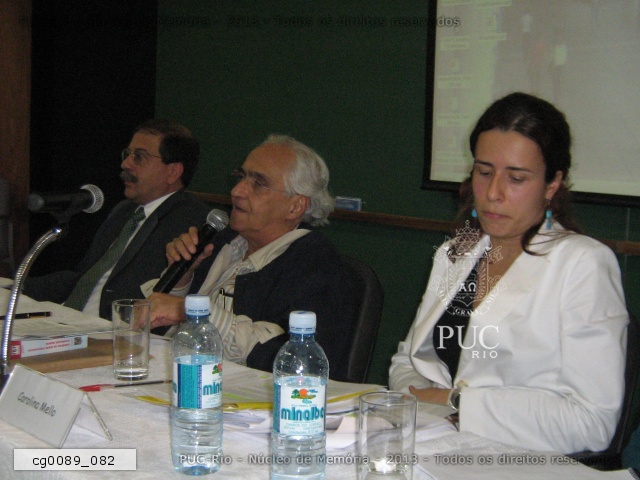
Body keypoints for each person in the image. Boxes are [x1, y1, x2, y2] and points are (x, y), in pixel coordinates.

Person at [389, 92, 628, 454]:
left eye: (516, 178)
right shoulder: (455, 253)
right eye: (484, 172)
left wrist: (457, 404)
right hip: (437, 447)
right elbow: (407, 361)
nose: (492, 193)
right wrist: (426, 403)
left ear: (552, 184)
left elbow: (591, 422)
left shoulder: (582, 264)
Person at [146, 134, 354, 381]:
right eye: (241, 177)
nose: (236, 191)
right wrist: (182, 278)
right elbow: (156, 321)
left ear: (295, 206)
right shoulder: (220, 241)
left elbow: (293, 360)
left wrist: (191, 312)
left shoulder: (316, 266)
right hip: (174, 372)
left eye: (259, 184)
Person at [24, 119, 210, 320]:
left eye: (139, 157)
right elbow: (83, 277)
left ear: (173, 172)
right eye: (127, 154)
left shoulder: (191, 221)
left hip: (112, 328)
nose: (125, 164)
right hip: (68, 318)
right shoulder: (124, 210)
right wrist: (15, 286)